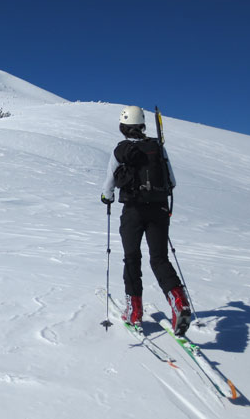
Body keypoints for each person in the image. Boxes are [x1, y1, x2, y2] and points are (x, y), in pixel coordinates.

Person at [100, 106, 191, 336]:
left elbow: (109, 182)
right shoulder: (157, 148)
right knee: (159, 258)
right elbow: (171, 180)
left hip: (133, 210)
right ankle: (179, 302)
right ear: (143, 125)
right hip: (159, 209)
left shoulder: (121, 150)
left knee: (132, 258)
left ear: (123, 127)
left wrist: (106, 197)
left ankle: (134, 312)